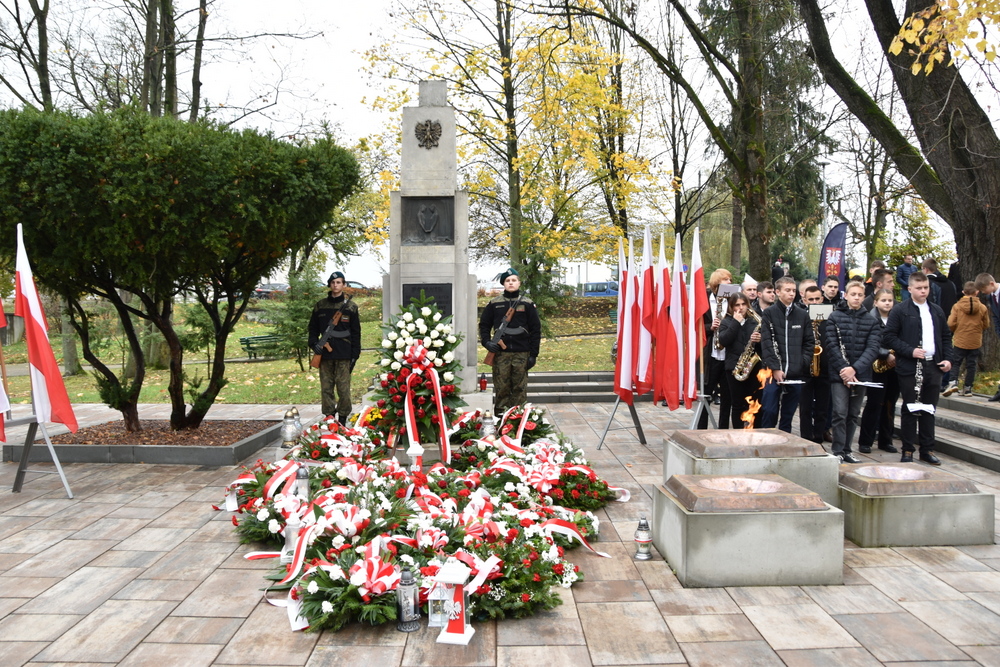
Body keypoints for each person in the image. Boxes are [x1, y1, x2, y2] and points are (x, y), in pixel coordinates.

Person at [883, 271, 953, 464]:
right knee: (910, 407)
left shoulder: (936, 310)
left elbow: (946, 337)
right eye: (919, 288)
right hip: (910, 366)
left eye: (926, 288)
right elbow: (889, 337)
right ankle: (907, 450)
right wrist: (910, 351)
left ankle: (927, 449)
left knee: (929, 409)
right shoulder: (900, 310)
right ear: (910, 289)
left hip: (933, 365)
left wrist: (948, 359)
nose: (923, 291)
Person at [825, 280, 881, 464]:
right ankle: (837, 450)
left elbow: (872, 349)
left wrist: (854, 369)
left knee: (853, 413)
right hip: (839, 374)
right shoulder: (834, 317)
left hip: (860, 375)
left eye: (860, 295)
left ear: (864, 297)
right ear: (846, 295)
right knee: (840, 412)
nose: (856, 298)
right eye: (853, 294)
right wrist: (844, 370)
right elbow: (831, 345)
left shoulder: (871, 321)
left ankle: (847, 450)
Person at [479, 268, 541, 414]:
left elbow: (535, 330)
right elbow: (484, 325)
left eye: (514, 280)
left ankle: (518, 420)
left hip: (522, 353)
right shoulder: (494, 303)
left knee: (520, 389)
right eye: (507, 281)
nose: (511, 283)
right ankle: (501, 419)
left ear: (519, 283)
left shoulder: (527, 303)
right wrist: (487, 342)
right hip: (501, 355)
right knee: (501, 389)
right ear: (503, 284)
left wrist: (533, 355)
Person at [760, 276, 814, 433]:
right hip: (772, 372)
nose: (791, 294)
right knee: (769, 410)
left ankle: (785, 439)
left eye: (793, 291)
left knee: (788, 413)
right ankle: (767, 438)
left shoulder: (802, 315)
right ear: (778, 292)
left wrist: (802, 362)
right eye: (787, 290)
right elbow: (767, 342)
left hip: (796, 371)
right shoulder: (769, 313)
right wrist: (775, 368)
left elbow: (809, 342)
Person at [309, 271, 361, 425]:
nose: (335, 285)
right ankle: (329, 418)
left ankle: (343, 420)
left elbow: (356, 332)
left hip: (344, 354)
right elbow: (312, 329)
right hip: (325, 355)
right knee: (326, 389)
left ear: (343, 285)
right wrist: (314, 345)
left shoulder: (351, 307)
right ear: (329, 285)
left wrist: (355, 354)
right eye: (333, 282)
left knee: (343, 389)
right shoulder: (320, 306)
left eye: (338, 282)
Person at [858, 288, 900, 454]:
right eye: (883, 300)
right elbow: (868, 342)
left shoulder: (896, 318)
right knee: (874, 403)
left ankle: (886, 440)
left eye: (890, 300)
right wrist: (885, 354)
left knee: (890, 404)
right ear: (875, 302)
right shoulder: (870, 319)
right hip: (876, 366)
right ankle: (865, 441)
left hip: (894, 366)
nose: (887, 303)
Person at [717, 291, 763, 428]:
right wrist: (736, 322)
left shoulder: (754, 321)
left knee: (755, 402)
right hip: (734, 367)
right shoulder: (726, 322)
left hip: (753, 366)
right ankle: (738, 431)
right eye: (737, 305)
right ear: (731, 307)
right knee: (737, 404)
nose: (741, 308)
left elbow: (767, 343)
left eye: (743, 304)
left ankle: (755, 430)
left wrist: (760, 340)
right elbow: (724, 340)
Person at [699, 269, 733, 428]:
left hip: (728, 354)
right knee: (706, 393)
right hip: (710, 355)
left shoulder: (733, 300)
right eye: (726, 279)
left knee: (728, 395)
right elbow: (694, 325)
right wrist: (709, 327)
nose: (730, 282)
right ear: (717, 282)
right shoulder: (704, 300)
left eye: (730, 279)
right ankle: (701, 429)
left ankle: (723, 428)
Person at [799, 285, 831, 444]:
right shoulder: (800, 317)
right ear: (804, 300)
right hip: (805, 368)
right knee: (805, 407)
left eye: (817, 299)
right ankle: (805, 437)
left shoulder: (830, 317)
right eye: (810, 299)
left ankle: (818, 437)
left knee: (822, 407)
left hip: (824, 367)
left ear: (822, 299)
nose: (814, 302)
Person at [946, 281, 990, 396]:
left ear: (963, 292)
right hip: (975, 340)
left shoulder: (957, 306)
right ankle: (968, 388)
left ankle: (953, 382)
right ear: (977, 292)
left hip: (960, 339)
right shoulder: (982, 308)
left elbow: (950, 323)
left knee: (956, 362)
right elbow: (986, 324)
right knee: (971, 364)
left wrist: (956, 329)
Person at [975, 273, 1000, 401]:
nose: (983, 292)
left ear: (991, 283)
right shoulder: (991, 297)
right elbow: (995, 316)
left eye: (984, 289)